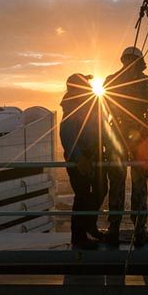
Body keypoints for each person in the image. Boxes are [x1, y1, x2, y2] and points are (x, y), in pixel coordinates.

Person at [103, 46, 148, 247]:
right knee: (139, 183)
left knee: (116, 183)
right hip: (139, 136)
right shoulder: (147, 83)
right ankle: (139, 229)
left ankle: (114, 228)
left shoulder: (111, 81)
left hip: (116, 136)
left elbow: (103, 112)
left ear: (123, 60)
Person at [59, 73, 107, 249]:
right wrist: (79, 158)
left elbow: (100, 128)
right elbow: (68, 136)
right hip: (79, 159)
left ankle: (90, 225)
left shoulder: (90, 104)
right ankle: (79, 236)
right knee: (83, 196)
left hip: (95, 156)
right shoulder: (72, 107)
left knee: (101, 189)